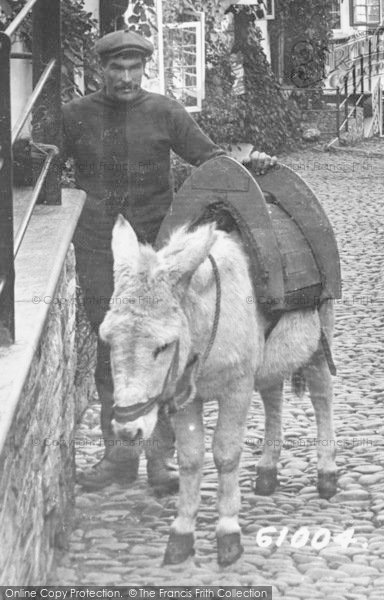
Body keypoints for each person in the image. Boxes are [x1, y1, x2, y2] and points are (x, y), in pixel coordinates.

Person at [62, 29, 277, 493]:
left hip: (161, 256)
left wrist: (248, 162)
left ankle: (159, 463)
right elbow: (43, 168)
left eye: (133, 69)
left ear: (144, 68)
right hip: (101, 250)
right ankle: (120, 458)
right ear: (100, 70)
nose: (125, 78)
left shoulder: (165, 113)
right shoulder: (74, 116)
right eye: (116, 69)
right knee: (115, 351)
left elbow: (209, 160)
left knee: (162, 352)